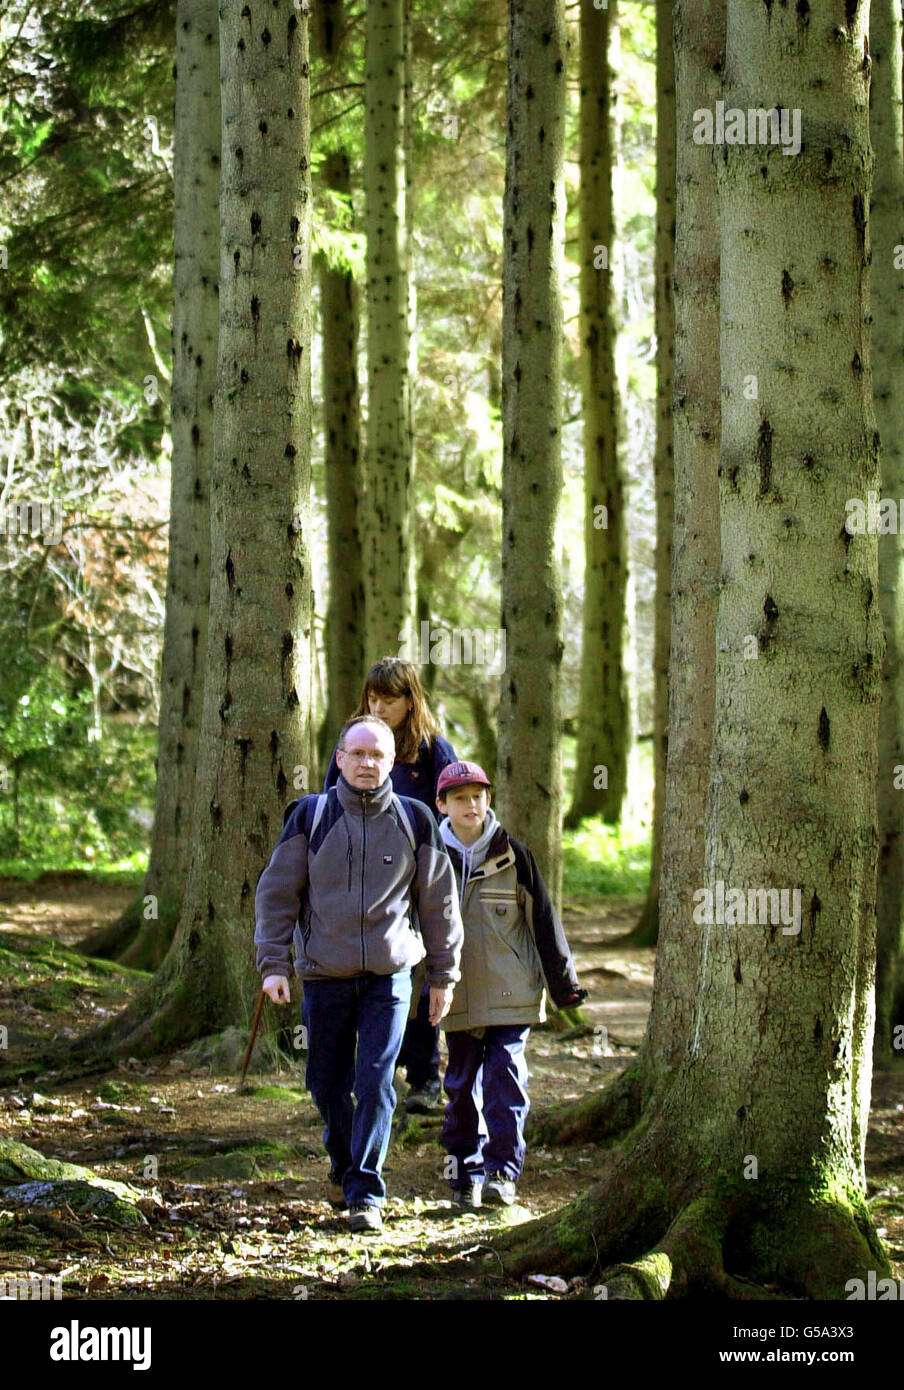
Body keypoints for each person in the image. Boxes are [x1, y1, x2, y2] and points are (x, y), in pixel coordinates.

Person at [254, 715, 463, 1233]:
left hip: (389, 978)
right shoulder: (310, 815)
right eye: (359, 754)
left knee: (375, 1081)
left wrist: (443, 977)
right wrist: (273, 964)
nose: (368, 764)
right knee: (326, 1083)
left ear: (392, 762)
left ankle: (365, 1191)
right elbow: (277, 894)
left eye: (379, 756)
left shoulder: (416, 821)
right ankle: (343, 1161)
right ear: (341, 759)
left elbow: (440, 906)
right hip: (324, 973)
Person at [434, 760, 586, 1210]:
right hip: (455, 997)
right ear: (442, 804)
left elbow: (544, 922)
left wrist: (564, 988)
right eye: (461, 797)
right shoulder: (428, 857)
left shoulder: (515, 855)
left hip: (511, 993)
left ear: (489, 800)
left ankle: (503, 1171)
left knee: (505, 1077)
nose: (472, 805)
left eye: (479, 796)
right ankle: (464, 1173)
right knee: (460, 1085)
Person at [323, 657, 458, 1114]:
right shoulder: (355, 745)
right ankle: (366, 1078)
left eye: (390, 699)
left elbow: (452, 814)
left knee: (419, 979)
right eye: (373, 698)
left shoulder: (432, 751)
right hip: (360, 884)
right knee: (363, 979)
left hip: (417, 882)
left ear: (410, 699)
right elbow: (328, 808)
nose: (378, 708)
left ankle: (424, 1077)